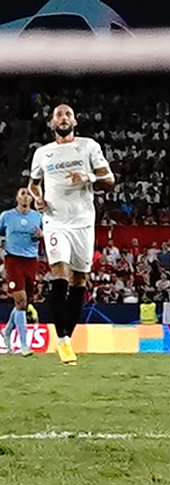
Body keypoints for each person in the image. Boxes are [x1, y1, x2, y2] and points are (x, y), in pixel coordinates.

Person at [28, 103, 114, 366]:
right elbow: (33, 185)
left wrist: (87, 177)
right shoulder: (42, 153)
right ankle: (62, 339)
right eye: (58, 115)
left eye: (67, 114)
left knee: (79, 282)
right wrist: (38, 200)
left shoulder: (89, 146)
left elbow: (109, 179)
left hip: (83, 223)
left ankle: (68, 340)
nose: (63, 119)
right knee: (60, 274)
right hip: (55, 221)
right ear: (52, 124)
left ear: (74, 121)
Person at [2, 187, 44, 355]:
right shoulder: (6, 216)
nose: (26, 197)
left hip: (31, 261)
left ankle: (6, 331)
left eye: (29, 195)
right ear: (17, 198)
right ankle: (24, 345)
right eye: (23, 194)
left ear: (32, 200)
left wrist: (42, 235)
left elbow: (47, 235)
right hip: (13, 260)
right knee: (20, 301)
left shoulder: (38, 217)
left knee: (24, 303)